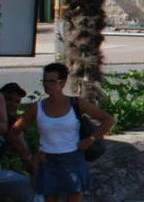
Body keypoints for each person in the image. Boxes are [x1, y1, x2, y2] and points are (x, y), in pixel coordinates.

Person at [10, 63, 114, 202]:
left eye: (52, 81)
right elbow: (14, 132)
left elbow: (108, 120)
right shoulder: (37, 107)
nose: (47, 85)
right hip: (47, 160)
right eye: (45, 81)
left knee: (74, 197)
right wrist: (28, 156)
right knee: (50, 198)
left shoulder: (76, 103)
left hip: (72, 158)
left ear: (63, 82)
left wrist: (91, 139)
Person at [0, 83, 33, 202]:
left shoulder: (14, 124)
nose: (12, 104)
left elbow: (25, 152)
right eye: (8, 99)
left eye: (17, 101)